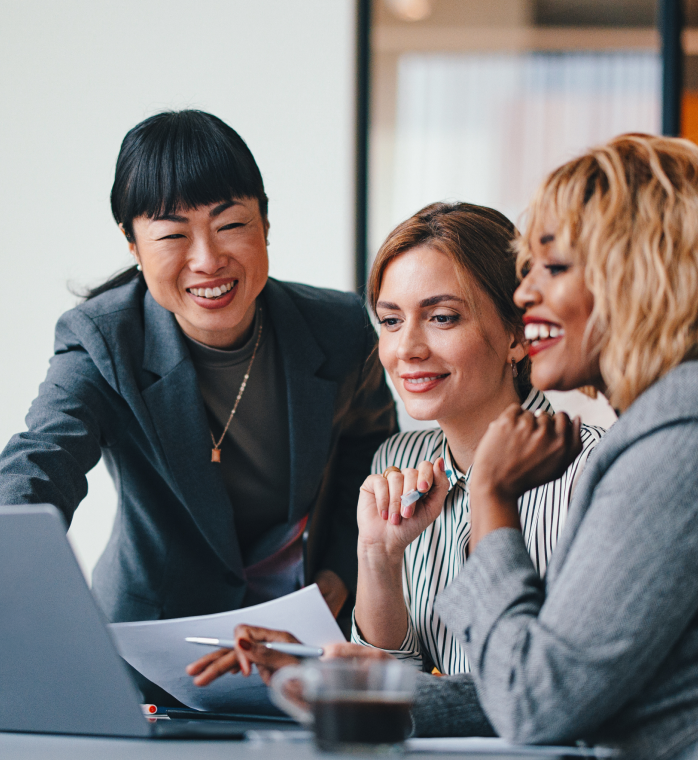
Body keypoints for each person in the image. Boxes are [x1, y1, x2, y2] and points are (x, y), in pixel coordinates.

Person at [422, 134, 698, 756]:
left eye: (553, 267)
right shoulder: (680, 416)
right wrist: (356, 690)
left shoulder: (694, 423)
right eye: (527, 268)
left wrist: (490, 496)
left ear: (644, 273)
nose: (524, 293)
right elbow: (556, 678)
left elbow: (537, 700)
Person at [0, 111, 397, 695]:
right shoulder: (103, 338)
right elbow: (43, 458)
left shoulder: (341, 330)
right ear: (133, 245)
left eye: (230, 225)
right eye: (173, 235)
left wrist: (336, 574)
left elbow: (370, 455)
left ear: (266, 224)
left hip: (302, 646)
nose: (206, 259)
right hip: (153, 653)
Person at [186, 202, 602, 687]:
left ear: (515, 333)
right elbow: (390, 685)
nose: (407, 349)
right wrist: (379, 559)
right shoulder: (396, 461)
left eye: (443, 317)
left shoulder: (592, 471)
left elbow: (552, 689)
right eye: (390, 321)